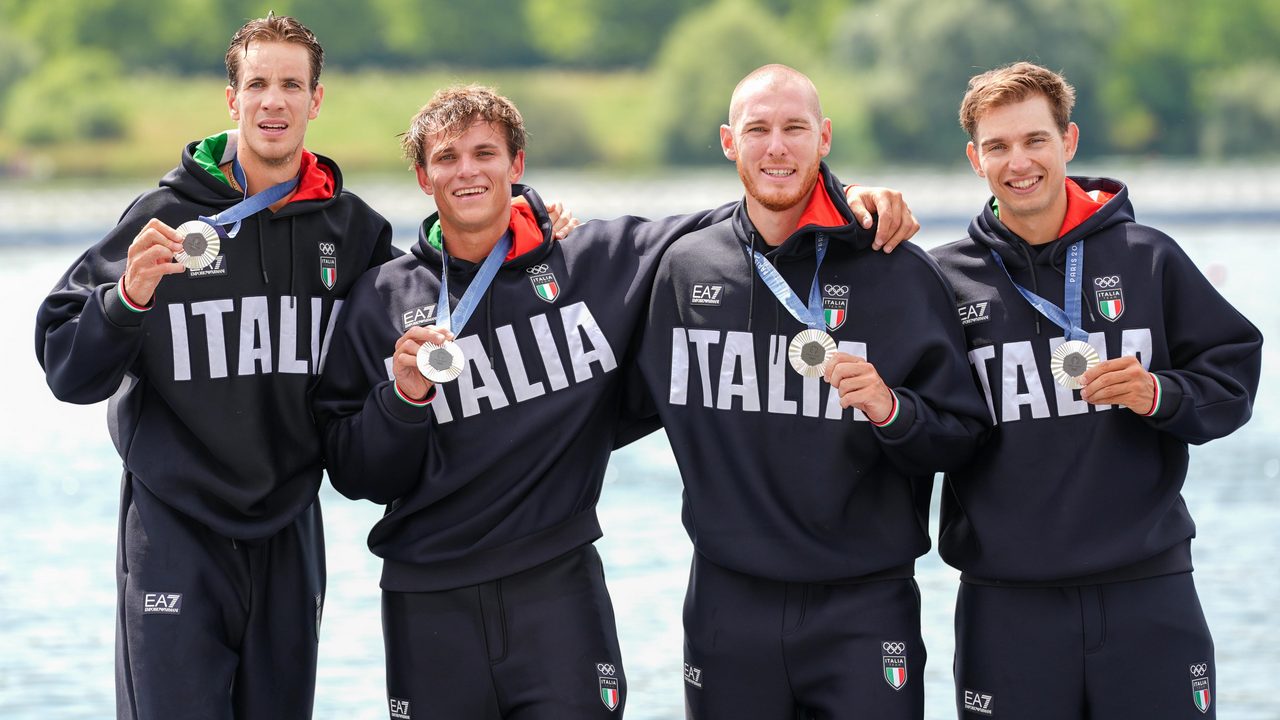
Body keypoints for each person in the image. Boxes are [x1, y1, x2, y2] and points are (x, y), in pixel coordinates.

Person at [311, 83, 918, 719]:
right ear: (421, 175)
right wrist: (403, 400)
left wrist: (849, 197)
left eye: (485, 153)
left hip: (558, 591)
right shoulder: (379, 301)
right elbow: (355, 475)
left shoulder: (595, 261)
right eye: (447, 157)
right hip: (426, 600)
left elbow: (744, 216)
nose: (467, 171)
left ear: (516, 166)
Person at [33, 14, 395, 719]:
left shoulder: (351, 232)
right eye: (257, 83)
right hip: (175, 528)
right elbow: (67, 372)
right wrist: (127, 297)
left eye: (291, 85)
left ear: (316, 100)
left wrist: (534, 228)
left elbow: (429, 300)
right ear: (231, 98)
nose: (273, 101)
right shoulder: (164, 216)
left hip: (289, 528)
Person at [633, 64, 990, 719]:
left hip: (863, 605)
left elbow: (963, 440)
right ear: (727, 141)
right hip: (726, 602)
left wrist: (892, 410)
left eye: (795, 128)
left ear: (824, 138)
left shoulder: (898, 269)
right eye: (758, 129)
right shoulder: (684, 269)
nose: (777, 146)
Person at [930, 61, 1262, 720]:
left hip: (1147, 591)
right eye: (997, 146)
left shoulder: (1148, 257)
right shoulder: (942, 279)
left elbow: (1233, 376)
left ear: (1069, 142)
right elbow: (922, 417)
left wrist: (1158, 395)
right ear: (975, 158)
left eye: (1035, 140)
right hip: (1007, 603)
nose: (1018, 161)